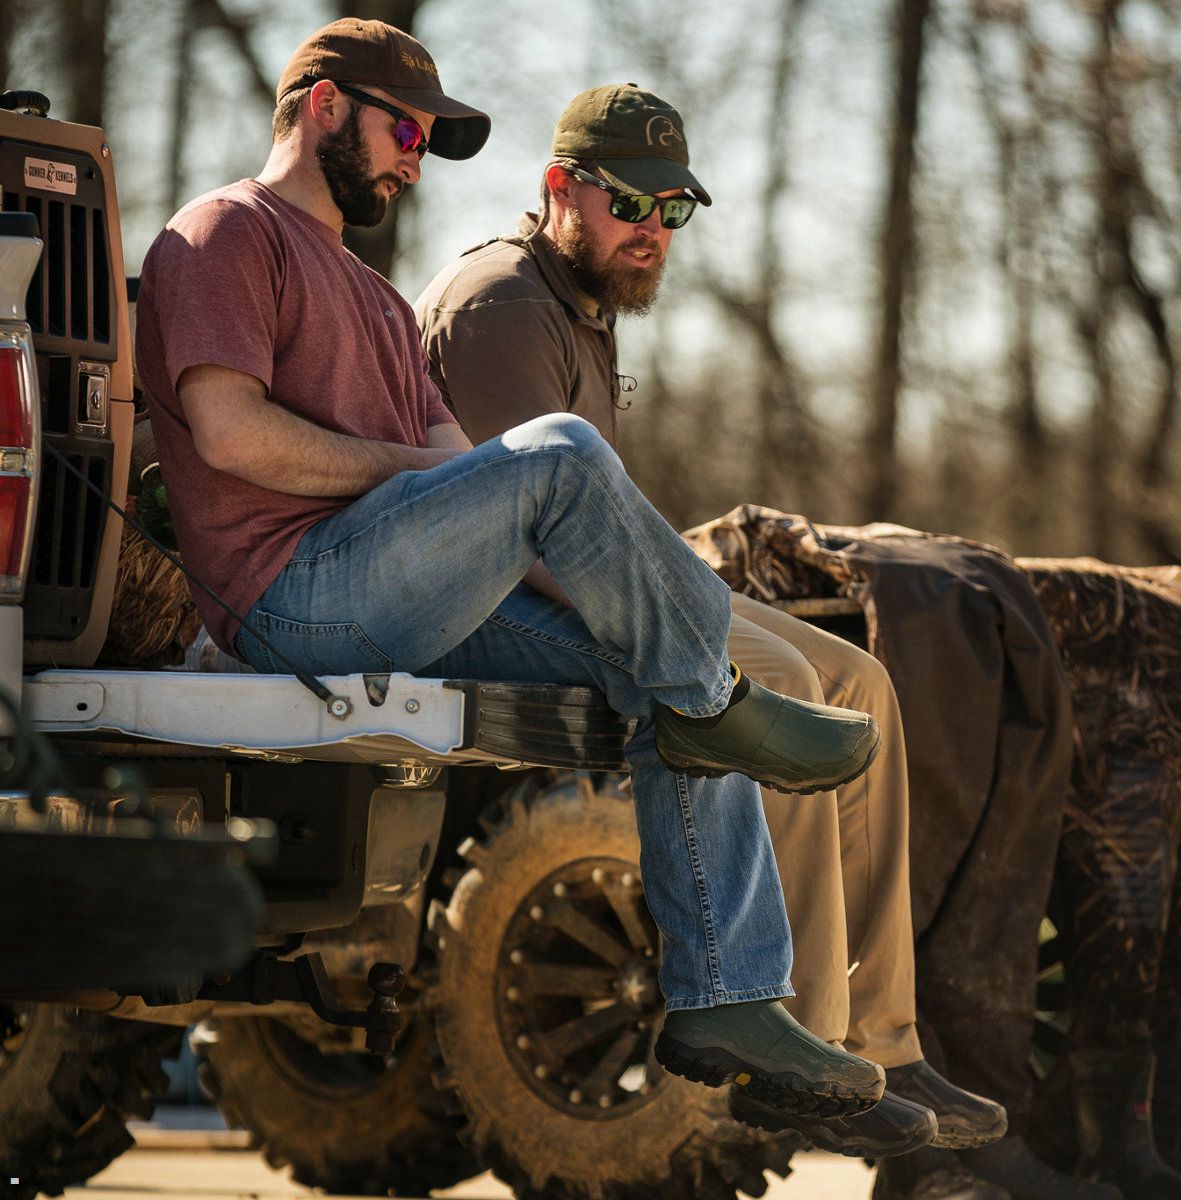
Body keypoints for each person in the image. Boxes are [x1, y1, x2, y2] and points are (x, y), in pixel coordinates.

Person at [135, 17, 899, 1132]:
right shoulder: (224, 233)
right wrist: (416, 473)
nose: (416, 156)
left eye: (429, 140)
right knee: (565, 454)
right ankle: (718, 706)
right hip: (292, 599)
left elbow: (467, 477)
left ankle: (726, 998)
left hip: (404, 602)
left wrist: (614, 603)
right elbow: (229, 434)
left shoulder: (381, 303)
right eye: (409, 128)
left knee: (661, 674)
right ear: (324, 106)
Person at [414, 83, 1017, 1167]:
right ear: (561, 189)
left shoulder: (576, 301)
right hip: (497, 605)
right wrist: (678, 614)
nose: (652, 233)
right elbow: (526, 545)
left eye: (672, 211)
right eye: (630, 205)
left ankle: (874, 1040)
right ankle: (795, 1044)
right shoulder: (503, 305)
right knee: (776, 680)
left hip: (595, 579)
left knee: (860, 680)